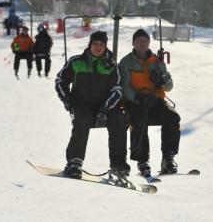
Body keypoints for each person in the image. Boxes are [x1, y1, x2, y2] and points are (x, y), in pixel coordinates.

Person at [55, 31, 130, 179]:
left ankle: (118, 164)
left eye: (101, 44)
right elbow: (60, 81)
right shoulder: (76, 62)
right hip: (82, 104)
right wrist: (67, 100)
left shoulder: (111, 66)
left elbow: (117, 89)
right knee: (82, 121)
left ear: (105, 46)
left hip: (105, 106)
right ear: (90, 44)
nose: (98, 47)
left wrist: (105, 108)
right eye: (95, 43)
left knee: (118, 120)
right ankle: (74, 163)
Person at [118, 28, 181, 176]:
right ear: (133, 43)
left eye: (145, 41)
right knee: (139, 117)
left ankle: (168, 157)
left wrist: (162, 81)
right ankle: (142, 160)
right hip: (136, 101)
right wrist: (136, 97)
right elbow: (124, 85)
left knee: (172, 117)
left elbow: (169, 86)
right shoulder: (126, 62)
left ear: (149, 43)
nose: (142, 44)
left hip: (155, 99)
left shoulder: (157, 61)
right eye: (139, 41)